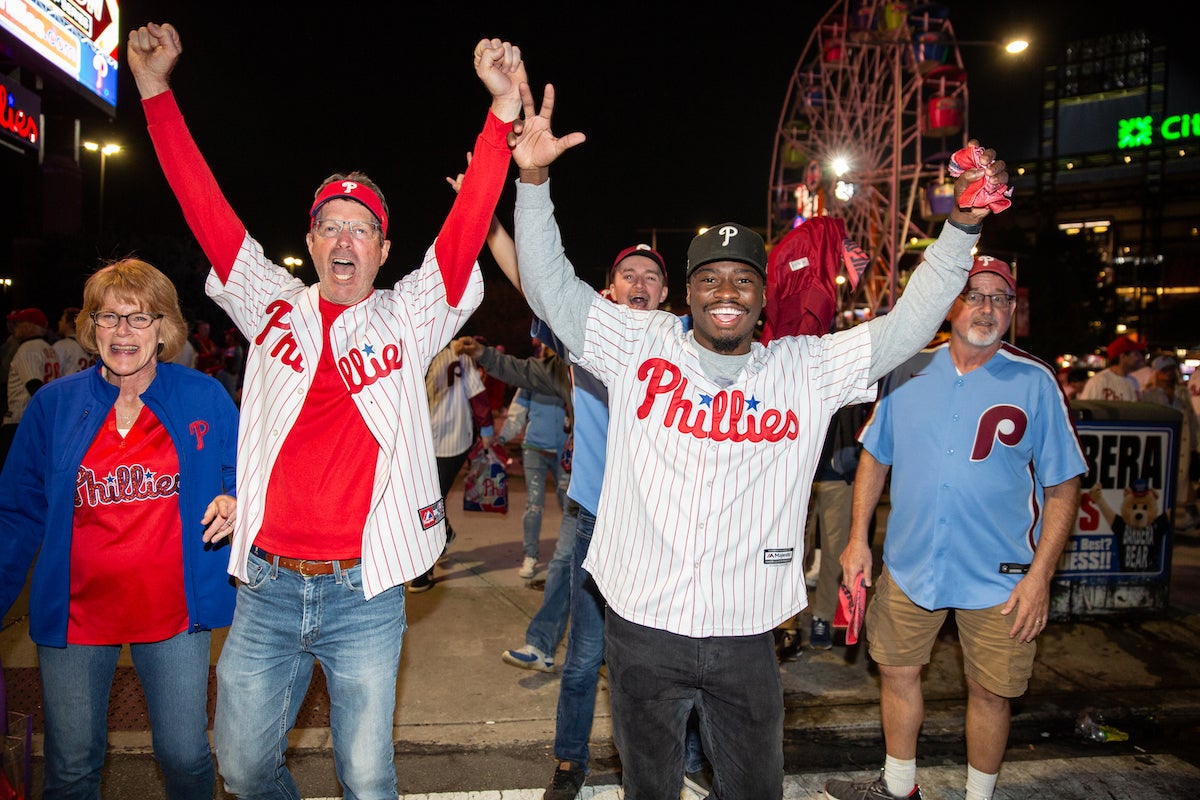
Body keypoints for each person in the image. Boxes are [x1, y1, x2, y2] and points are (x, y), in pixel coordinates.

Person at [506, 79, 1009, 799]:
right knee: (650, 790)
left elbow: (903, 328)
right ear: (689, 292)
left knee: (755, 789)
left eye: (742, 280)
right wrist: (533, 179)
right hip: (643, 629)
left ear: (761, 297)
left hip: (746, 636)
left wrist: (960, 231)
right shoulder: (640, 345)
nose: (726, 292)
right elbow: (550, 286)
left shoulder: (803, 367)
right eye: (710, 279)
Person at [128, 20, 525, 798]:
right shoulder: (272, 304)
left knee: (368, 777)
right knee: (241, 768)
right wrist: (153, 91)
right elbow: (203, 206)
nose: (346, 239)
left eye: (363, 229)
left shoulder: (410, 314)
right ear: (310, 242)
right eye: (331, 226)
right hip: (268, 584)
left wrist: (501, 114)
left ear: (383, 248)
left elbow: (468, 222)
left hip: (364, 590)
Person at [824, 255, 1086, 800]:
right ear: (950, 303)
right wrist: (857, 541)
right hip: (910, 561)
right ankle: (898, 789)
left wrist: (1040, 577)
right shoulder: (910, 368)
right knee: (896, 672)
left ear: (1014, 309)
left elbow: (1064, 485)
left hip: (1002, 575)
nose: (987, 307)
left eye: (1000, 298)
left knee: (990, 691)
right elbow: (875, 453)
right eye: (975, 294)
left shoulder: (1035, 381)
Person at [0, 258, 239, 799]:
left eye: (139, 318)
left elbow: (245, 470)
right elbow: (17, 512)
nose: (123, 332)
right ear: (91, 327)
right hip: (77, 614)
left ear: (164, 329)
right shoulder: (54, 405)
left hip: (173, 610)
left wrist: (237, 499)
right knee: (72, 765)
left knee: (184, 756)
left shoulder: (202, 397)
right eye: (109, 318)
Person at [458, 334, 575, 667]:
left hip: (624, 493)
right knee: (561, 563)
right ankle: (541, 646)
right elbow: (520, 374)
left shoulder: (636, 362)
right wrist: (484, 355)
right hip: (576, 483)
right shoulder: (564, 370)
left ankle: (610, 652)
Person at [412, 338, 496, 592]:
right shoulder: (427, 351)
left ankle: (424, 568)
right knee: (428, 500)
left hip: (450, 441)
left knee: (428, 503)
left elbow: (477, 394)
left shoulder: (457, 356)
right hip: (430, 441)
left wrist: (487, 429)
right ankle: (444, 532)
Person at [1141, 354, 1200, 531]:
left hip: (1181, 443)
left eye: (1171, 370)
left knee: (1183, 479)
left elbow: (1191, 419)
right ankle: (1157, 517)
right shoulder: (1148, 394)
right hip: (1159, 445)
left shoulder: (1182, 393)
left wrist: (1194, 446)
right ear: (1156, 373)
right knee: (1159, 483)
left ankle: (1189, 514)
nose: (1168, 374)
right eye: (1164, 370)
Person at [1, 307, 59, 467]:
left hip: (21, 419)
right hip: (40, 419)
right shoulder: (49, 348)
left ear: (29, 326)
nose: (15, 327)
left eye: (19, 323)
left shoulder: (28, 348)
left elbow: (34, 386)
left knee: (14, 473)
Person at [1080, 335, 1146, 401]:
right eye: (1136, 354)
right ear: (1123, 356)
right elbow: (1086, 407)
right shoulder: (1098, 381)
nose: (1140, 357)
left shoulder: (1133, 381)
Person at [54, 306, 95, 375]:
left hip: (67, 385)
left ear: (69, 324)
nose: (59, 323)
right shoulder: (92, 345)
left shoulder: (61, 346)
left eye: (62, 320)